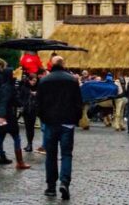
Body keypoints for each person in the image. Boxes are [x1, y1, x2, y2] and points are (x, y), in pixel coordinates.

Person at [37, 56, 83, 200]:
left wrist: (44, 118)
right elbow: (78, 102)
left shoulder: (44, 81)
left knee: (51, 155)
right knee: (66, 154)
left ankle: (51, 187)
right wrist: (76, 118)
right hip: (67, 123)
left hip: (50, 122)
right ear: (64, 64)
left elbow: (39, 103)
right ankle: (64, 182)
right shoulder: (72, 81)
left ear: (51, 65)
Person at [0, 67, 31, 170]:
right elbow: (4, 102)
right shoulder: (8, 87)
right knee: (16, 138)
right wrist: (2, 116)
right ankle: (20, 162)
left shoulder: (5, 86)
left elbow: (14, 101)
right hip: (7, 117)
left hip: (3, 116)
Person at [19, 71, 40, 152]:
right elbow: (20, 97)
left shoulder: (38, 88)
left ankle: (30, 144)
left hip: (34, 110)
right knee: (28, 128)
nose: (34, 82)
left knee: (31, 127)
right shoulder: (24, 87)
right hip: (26, 109)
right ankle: (29, 144)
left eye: (35, 81)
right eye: (32, 80)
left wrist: (36, 94)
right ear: (29, 80)